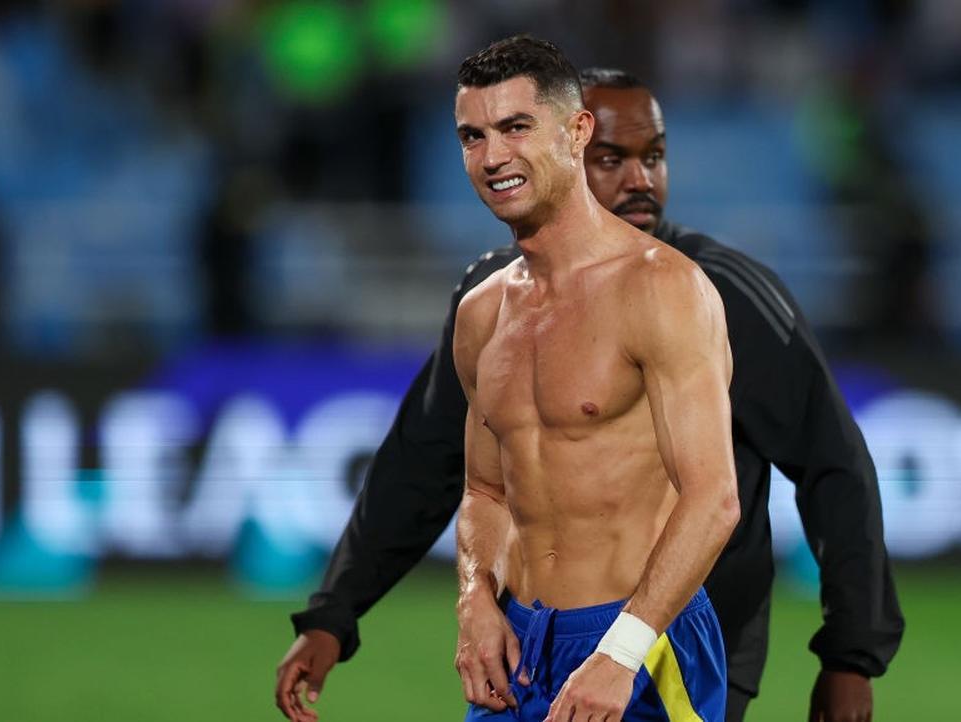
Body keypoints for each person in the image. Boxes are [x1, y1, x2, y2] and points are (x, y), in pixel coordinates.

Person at [276, 63, 903, 722]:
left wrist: (851, 654)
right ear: (574, 146)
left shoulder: (709, 291)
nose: (640, 179)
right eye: (613, 158)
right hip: (523, 642)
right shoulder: (488, 305)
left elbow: (827, 469)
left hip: (661, 641)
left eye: (653, 156)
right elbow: (432, 469)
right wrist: (356, 609)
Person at [449, 35, 738, 721]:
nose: (492, 157)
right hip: (517, 648)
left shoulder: (662, 289)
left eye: (516, 127)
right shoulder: (481, 314)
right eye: (473, 136)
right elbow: (485, 490)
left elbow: (713, 499)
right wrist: (474, 597)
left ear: (577, 131)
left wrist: (622, 653)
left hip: (640, 645)